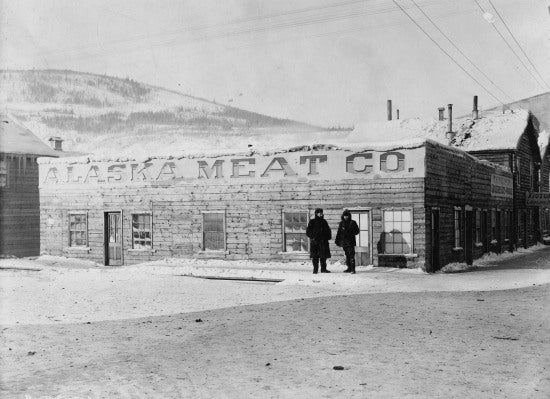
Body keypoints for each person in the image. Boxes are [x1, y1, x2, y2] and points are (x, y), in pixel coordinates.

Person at [306, 208, 332, 274]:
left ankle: (323, 269)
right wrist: (313, 237)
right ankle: (315, 270)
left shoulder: (324, 222)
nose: (320, 214)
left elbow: (328, 231)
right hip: (315, 242)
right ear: (316, 214)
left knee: (323, 256)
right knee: (315, 257)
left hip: (323, 242)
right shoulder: (312, 221)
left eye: (321, 213)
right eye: (319, 213)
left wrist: (327, 237)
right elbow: (308, 232)